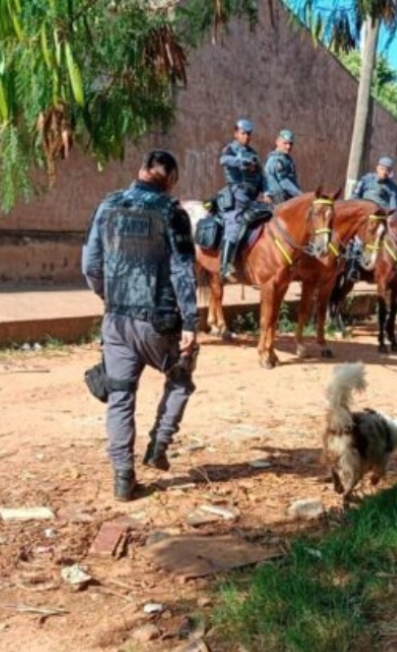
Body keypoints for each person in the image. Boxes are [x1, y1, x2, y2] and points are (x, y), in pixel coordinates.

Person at [81, 150, 199, 502]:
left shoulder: (108, 206)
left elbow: (90, 265)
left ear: (141, 171)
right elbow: (182, 272)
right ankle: (159, 445)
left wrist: (110, 297)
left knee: (119, 395)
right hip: (159, 322)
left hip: (116, 320)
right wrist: (191, 322)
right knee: (180, 378)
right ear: (172, 180)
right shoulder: (172, 213)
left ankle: (122, 477)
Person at [218, 118, 267, 281]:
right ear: (236, 133)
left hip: (252, 198)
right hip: (237, 196)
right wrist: (242, 162)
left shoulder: (253, 154)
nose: (246, 137)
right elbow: (223, 161)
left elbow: (262, 175)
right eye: (243, 133)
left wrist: (266, 192)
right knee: (235, 225)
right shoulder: (230, 149)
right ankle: (225, 266)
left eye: (248, 134)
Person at [264, 129, 301, 205]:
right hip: (278, 200)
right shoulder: (276, 160)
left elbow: (293, 181)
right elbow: (283, 182)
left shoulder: (287, 159)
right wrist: (300, 195)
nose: (288, 146)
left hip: (288, 198)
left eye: (290, 144)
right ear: (277, 142)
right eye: (285, 143)